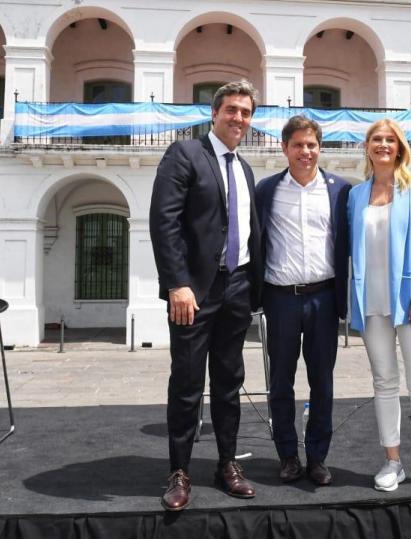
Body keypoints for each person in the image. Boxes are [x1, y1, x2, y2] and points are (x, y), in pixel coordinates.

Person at [149, 80, 262, 511]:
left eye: (246, 112)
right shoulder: (186, 154)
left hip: (236, 286)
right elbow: (165, 221)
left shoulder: (244, 168)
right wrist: (177, 283)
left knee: (230, 381)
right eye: (231, 110)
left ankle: (227, 464)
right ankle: (179, 471)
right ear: (214, 114)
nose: (238, 118)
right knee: (187, 382)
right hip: (193, 291)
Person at [347, 118, 411, 493]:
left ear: (400, 147)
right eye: (376, 139)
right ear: (368, 147)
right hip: (370, 300)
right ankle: (392, 461)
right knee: (384, 382)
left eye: (389, 139)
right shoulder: (356, 196)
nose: (382, 145)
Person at [256, 116, 350, 486]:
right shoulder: (267, 191)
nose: (305, 152)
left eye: (311, 145)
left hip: (324, 298)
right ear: (284, 148)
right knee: (280, 381)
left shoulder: (340, 191)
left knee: (322, 382)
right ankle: (287, 455)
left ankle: (317, 457)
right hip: (281, 299)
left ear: (319, 148)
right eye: (298, 145)